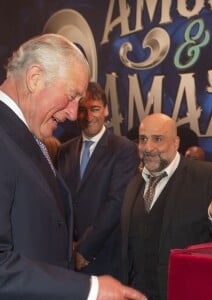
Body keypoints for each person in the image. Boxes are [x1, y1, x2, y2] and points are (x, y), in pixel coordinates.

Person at [0, 33, 146, 300]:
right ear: (34, 79)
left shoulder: (25, 137)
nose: (71, 113)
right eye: (71, 96)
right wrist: (90, 289)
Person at [120, 113, 212, 300]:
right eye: (143, 139)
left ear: (176, 143)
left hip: (185, 292)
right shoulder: (132, 183)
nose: (148, 147)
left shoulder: (206, 176)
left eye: (158, 139)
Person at [57, 81, 139, 278]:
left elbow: (116, 203)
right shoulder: (64, 150)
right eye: (83, 110)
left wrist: (84, 249)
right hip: (66, 256)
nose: (89, 116)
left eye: (95, 109)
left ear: (106, 110)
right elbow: (59, 199)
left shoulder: (124, 149)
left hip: (104, 256)